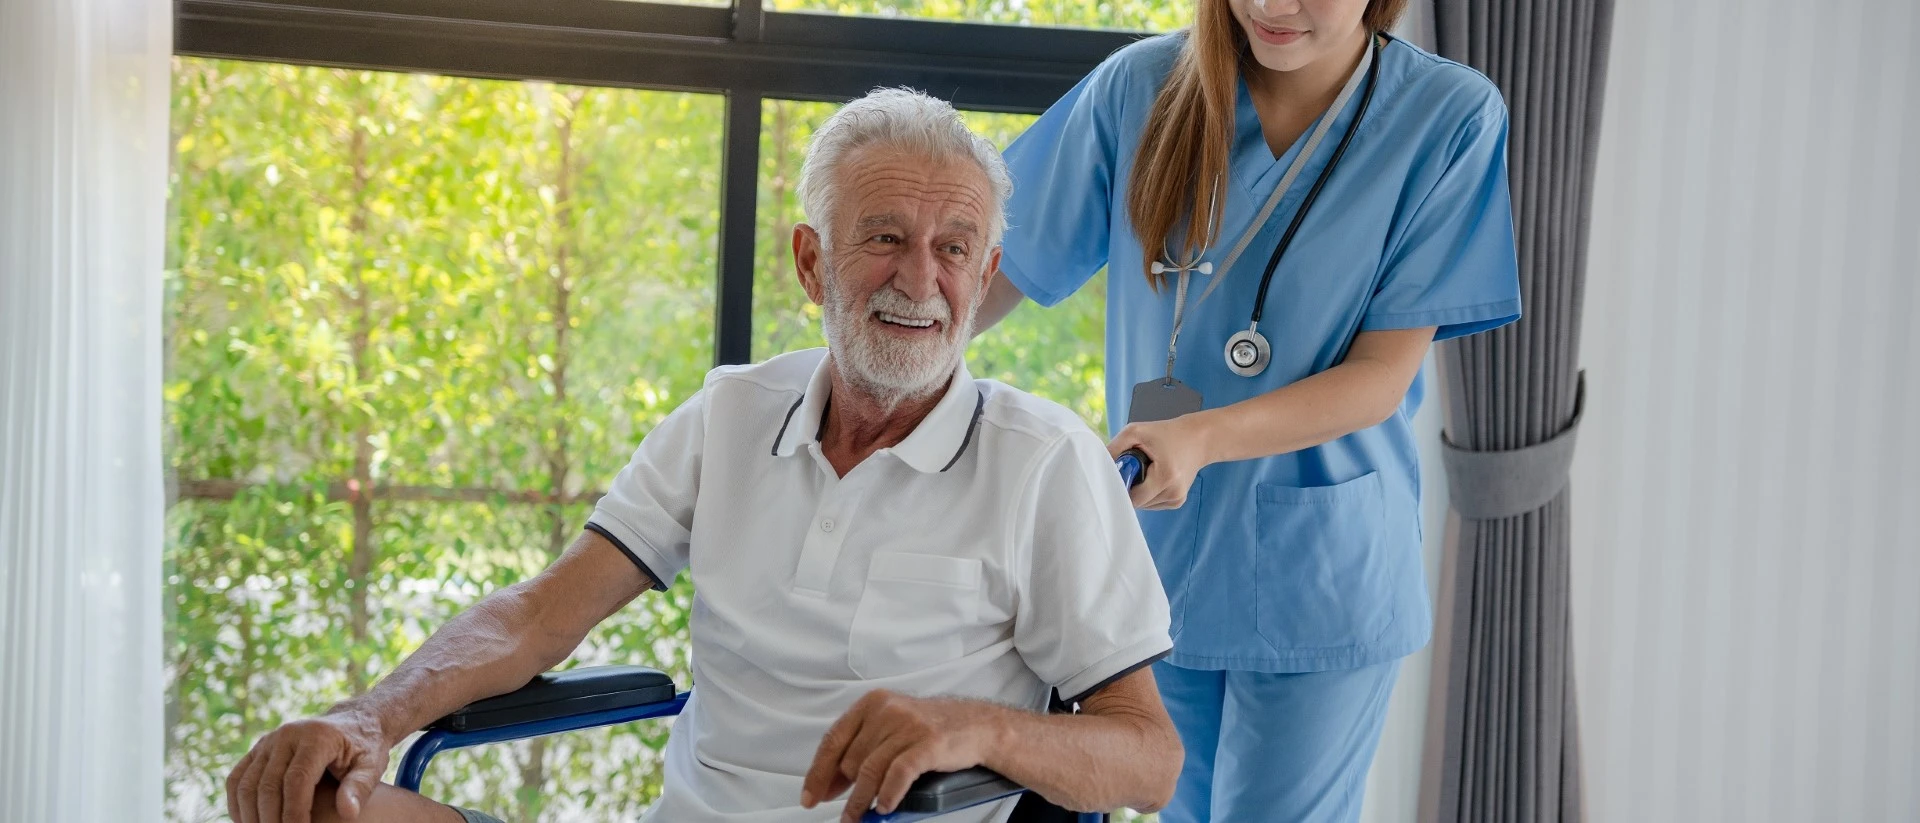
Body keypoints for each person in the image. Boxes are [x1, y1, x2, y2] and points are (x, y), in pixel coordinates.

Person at [223, 88, 1182, 823]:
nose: (919, 279)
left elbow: (1149, 758)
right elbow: (537, 617)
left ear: (985, 274)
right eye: (884, 237)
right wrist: (368, 718)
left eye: (954, 247)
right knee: (306, 799)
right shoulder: (732, 413)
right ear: (812, 261)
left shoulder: (1046, 460)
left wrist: (973, 726)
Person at [974, 1, 1523, 820]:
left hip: (1323, 571)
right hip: (1157, 562)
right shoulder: (1142, 88)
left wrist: (1201, 436)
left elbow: (1379, 376)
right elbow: (987, 268)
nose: (1273, 4)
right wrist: (873, 362)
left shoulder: (1446, 117)